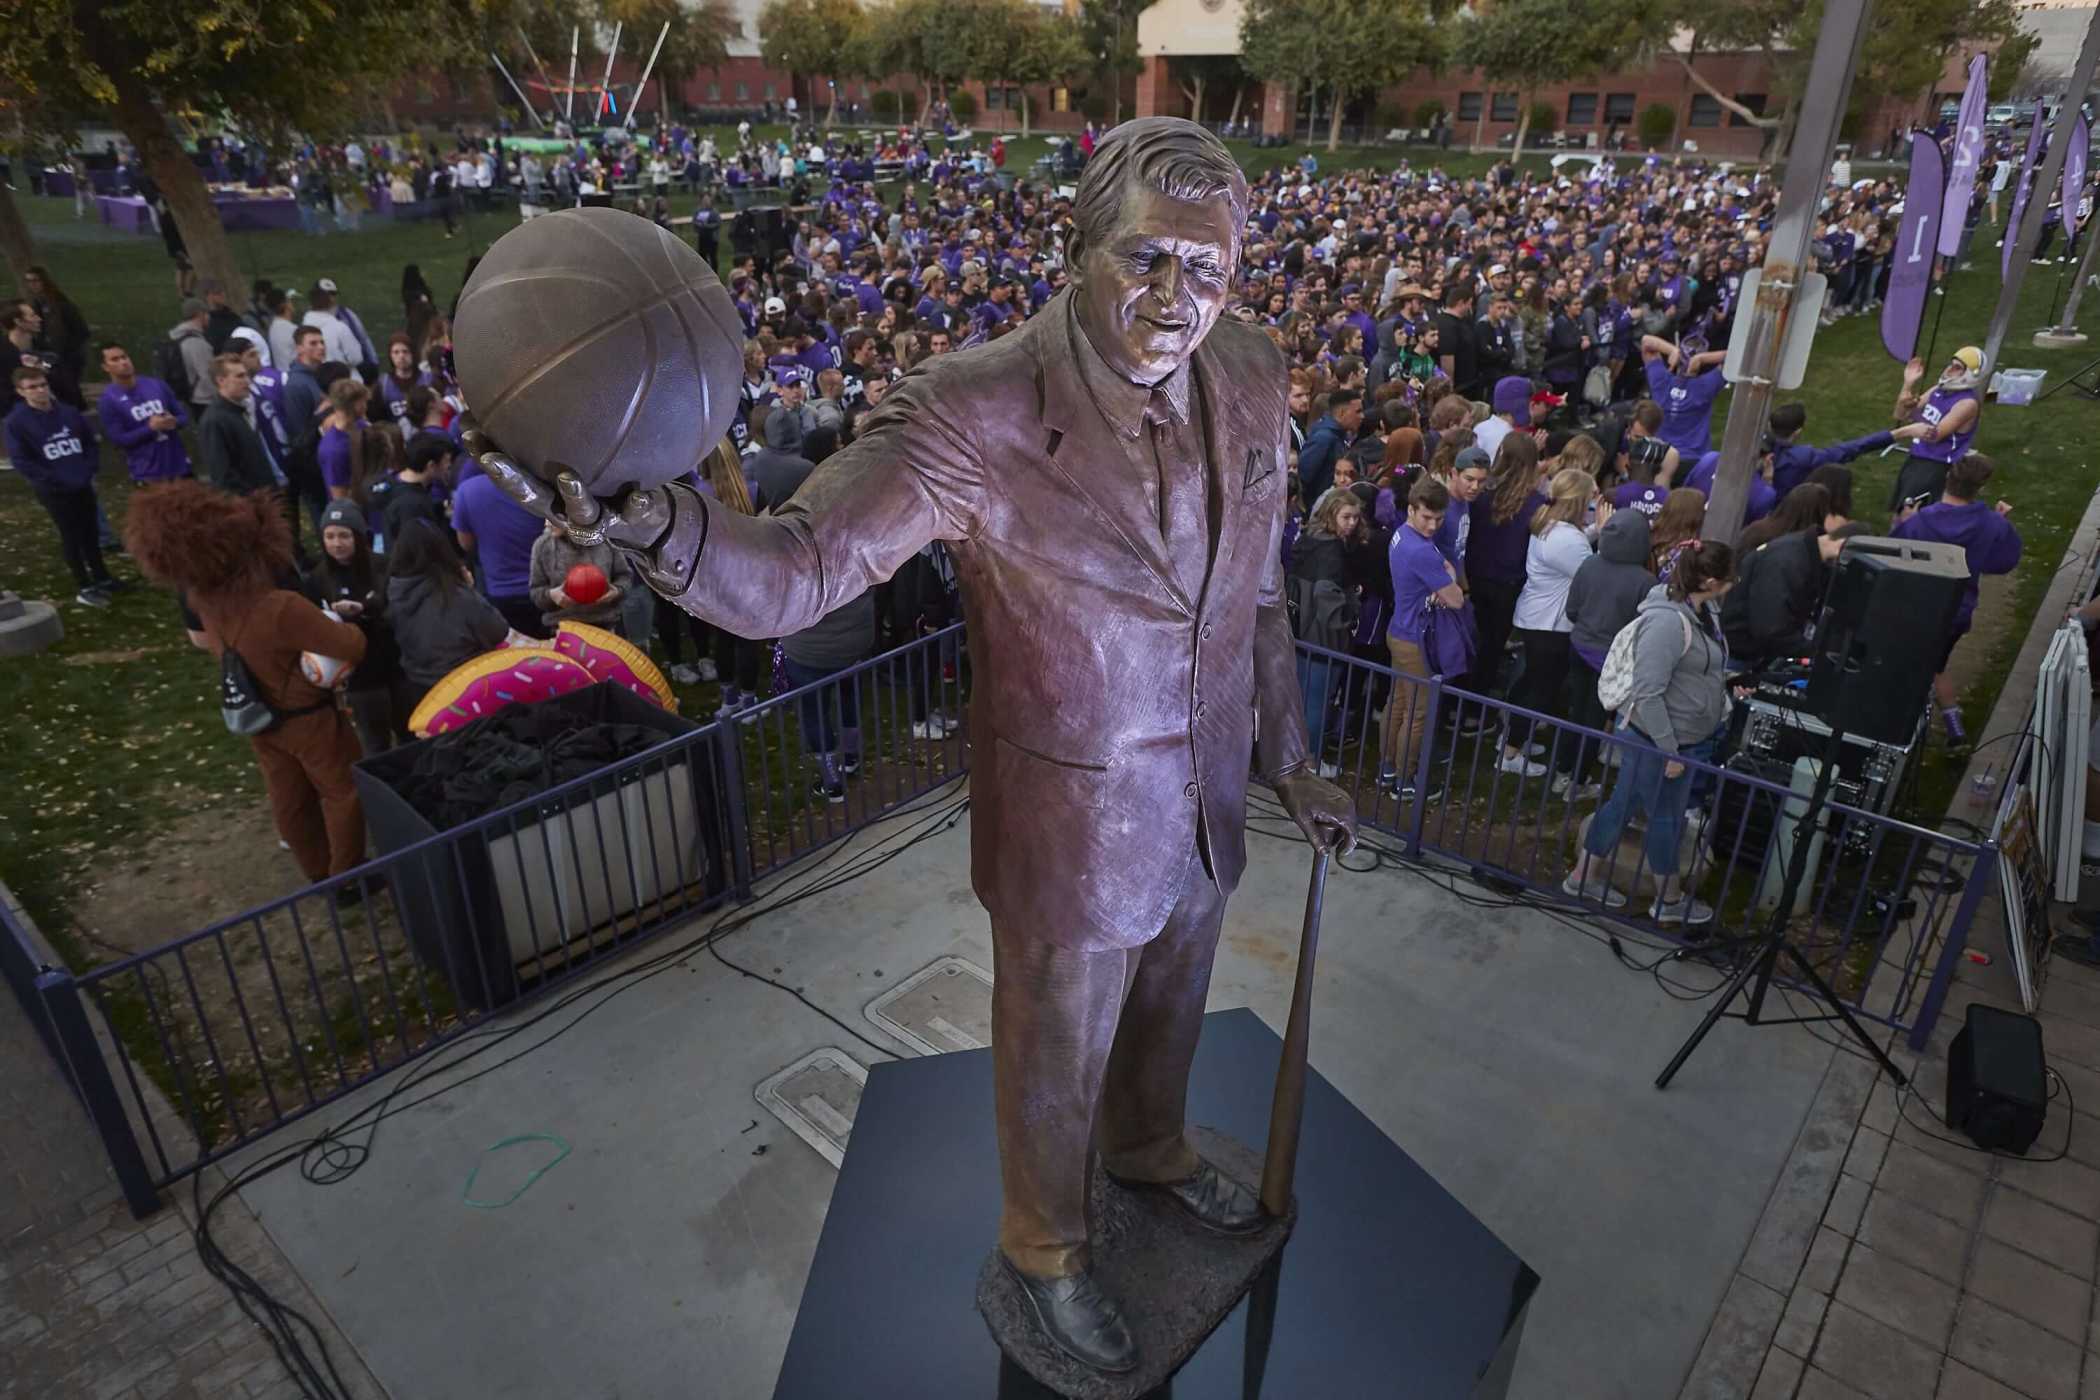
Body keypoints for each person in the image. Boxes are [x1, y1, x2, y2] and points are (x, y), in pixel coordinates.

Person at [464, 119, 1353, 1373]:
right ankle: (1049, 1250)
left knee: (1172, 998)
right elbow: (799, 570)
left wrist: (1292, 755)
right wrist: (654, 520)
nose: (1176, 301)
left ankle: (1149, 1149)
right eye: (1147, 260)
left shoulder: (1251, 374)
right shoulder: (971, 412)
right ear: (1077, 245)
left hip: (1204, 791)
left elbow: (1255, 588)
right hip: (1072, 812)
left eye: (1207, 271)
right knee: (1056, 1045)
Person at [124, 481, 367, 888]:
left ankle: (316, 871)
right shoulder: (279, 607)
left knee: (289, 799)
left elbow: (204, 642)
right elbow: (352, 646)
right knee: (343, 792)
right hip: (310, 720)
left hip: (261, 719)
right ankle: (347, 877)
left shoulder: (209, 606)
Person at [1561, 540, 1737, 927]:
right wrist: (1671, 751)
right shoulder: (1667, 623)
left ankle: (1581, 879)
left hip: (1669, 739)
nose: (1731, 586)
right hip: (1659, 741)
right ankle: (1668, 899)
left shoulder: (1702, 611)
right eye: (1727, 581)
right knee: (1665, 819)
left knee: (1625, 806)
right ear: (1708, 581)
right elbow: (1649, 692)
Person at [1892, 452, 2023, 745]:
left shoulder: (1919, 522)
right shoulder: (1991, 523)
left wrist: (1903, 520)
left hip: (1913, 609)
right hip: (1955, 613)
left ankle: (1899, 724)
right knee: (1935, 664)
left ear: (1947, 479)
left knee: (1909, 665)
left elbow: (1893, 556)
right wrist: (2001, 524)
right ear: (1979, 488)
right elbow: (2002, 562)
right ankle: (1954, 725)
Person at [1503, 468, 1597, 781]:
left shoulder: (1547, 521)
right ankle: (1511, 752)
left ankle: (1511, 740)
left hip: (1535, 616)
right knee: (1541, 690)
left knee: (1531, 680)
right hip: (1551, 625)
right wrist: (1607, 533)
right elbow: (1591, 575)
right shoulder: (1567, 539)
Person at [4, 366, 116, 607]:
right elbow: (22, 460)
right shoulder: (16, 423)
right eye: (33, 387)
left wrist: (88, 469)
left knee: (91, 532)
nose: (40, 391)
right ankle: (84, 584)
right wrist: (52, 479)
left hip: (81, 481)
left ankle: (102, 576)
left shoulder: (68, 412)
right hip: (54, 490)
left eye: (43, 385)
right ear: (21, 392)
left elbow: (89, 443)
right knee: (71, 535)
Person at [1564, 507, 1656, 794]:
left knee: (1573, 712)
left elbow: (1572, 610)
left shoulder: (1590, 564)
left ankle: (1562, 772)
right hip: (1610, 661)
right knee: (1593, 721)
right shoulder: (1646, 582)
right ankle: (1575, 782)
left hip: (1578, 648)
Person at [304, 499, 405, 755]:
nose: (336, 543)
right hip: (360, 678)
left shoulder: (383, 566)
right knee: (375, 744)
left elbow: (399, 609)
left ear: (358, 537)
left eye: (344, 536)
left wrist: (366, 609)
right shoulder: (318, 578)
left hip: (396, 665)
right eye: (329, 536)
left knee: (409, 733)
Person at [387, 517, 512, 704]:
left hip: (420, 691)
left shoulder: (393, 592)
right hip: (467, 688)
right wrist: (469, 588)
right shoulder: (455, 594)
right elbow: (498, 630)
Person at [1288, 487, 1366, 774]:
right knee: (1317, 705)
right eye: (1346, 516)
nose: (1352, 523)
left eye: (1356, 517)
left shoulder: (1309, 539)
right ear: (1331, 514)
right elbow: (1326, 595)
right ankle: (1311, 762)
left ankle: (1290, 759)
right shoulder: (1332, 551)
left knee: (1299, 700)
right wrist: (1349, 615)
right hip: (1323, 637)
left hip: (1299, 630)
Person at [1466, 433, 1546, 702]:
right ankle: (1473, 710)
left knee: (1473, 641)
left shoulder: (1481, 493)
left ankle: (1458, 704)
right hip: (1507, 585)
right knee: (1490, 647)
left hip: (1476, 578)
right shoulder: (1536, 504)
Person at [1722, 521, 1868, 667]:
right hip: (1738, 653)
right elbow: (1770, 626)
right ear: (1843, 546)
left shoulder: (1807, 555)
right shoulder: (1787, 561)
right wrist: (1813, 651)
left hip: (1752, 651)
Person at [451, 452, 547, 638]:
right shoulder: (540, 488)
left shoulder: (467, 491)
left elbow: (466, 544)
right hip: (545, 593)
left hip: (499, 594)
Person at [1888, 349, 1983, 511]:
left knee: (1912, 517)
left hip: (1935, 466)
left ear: (1970, 374)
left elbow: (1934, 435)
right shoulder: (1937, 390)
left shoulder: (1966, 404)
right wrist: (1908, 383)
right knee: (1900, 513)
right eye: (1951, 364)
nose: (1949, 370)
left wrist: (1903, 432)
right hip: (1916, 459)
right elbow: (1900, 414)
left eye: (1957, 367)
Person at [95, 342, 192, 482]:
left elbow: (183, 416)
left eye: (124, 357)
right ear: (105, 367)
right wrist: (150, 428)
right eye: (115, 359)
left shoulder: (156, 384)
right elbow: (119, 440)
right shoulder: (108, 400)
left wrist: (174, 421)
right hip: (148, 472)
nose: (123, 362)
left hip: (179, 466)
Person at [528, 515, 634, 635]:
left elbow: (625, 577)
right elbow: (535, 591)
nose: (546, 524)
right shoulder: (542, 545)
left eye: (553, 518)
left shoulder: (606, 541)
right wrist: (551, 596)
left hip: (606, 626)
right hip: (561, 629)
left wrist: (617, 591)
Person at [196, 354, 283, 498]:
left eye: (247, 375)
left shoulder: (239, 412)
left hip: (267, 500)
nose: (247, 381)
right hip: (251, 506)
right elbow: (222, 476)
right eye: (240, 376)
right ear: (221, 381)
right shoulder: (214, 421)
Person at [1639, 334, 1730, 457]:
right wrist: (1703, 359)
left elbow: (1646, 342)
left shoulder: (1661, 381)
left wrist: (1672, 350)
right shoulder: (1706, 385)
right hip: (1693, 459)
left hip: (1661, 456)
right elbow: (1737, 356)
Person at [21, 266, 89, 394]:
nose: (32, 285)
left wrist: (67, 351)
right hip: (49, 355)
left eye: (35, 280)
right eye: (28, 281)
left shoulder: (61, 304)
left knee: (70, 389)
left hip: (67, 356)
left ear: (44, 281)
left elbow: (81, 331)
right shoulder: (37, 303)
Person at [1296, 390, 1360, 503]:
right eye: (1358, 411)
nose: (1362, 416)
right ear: (1341, 413)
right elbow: (1303, 477)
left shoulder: (1339, 434)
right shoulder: (1323, 438)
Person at [166, 298, 217, 415]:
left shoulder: (175, 337)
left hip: (187, 396)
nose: (209, 317)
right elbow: (207, 374)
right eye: (207, 313)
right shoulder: (197, 343)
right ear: (199, 314)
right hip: (204, 399)